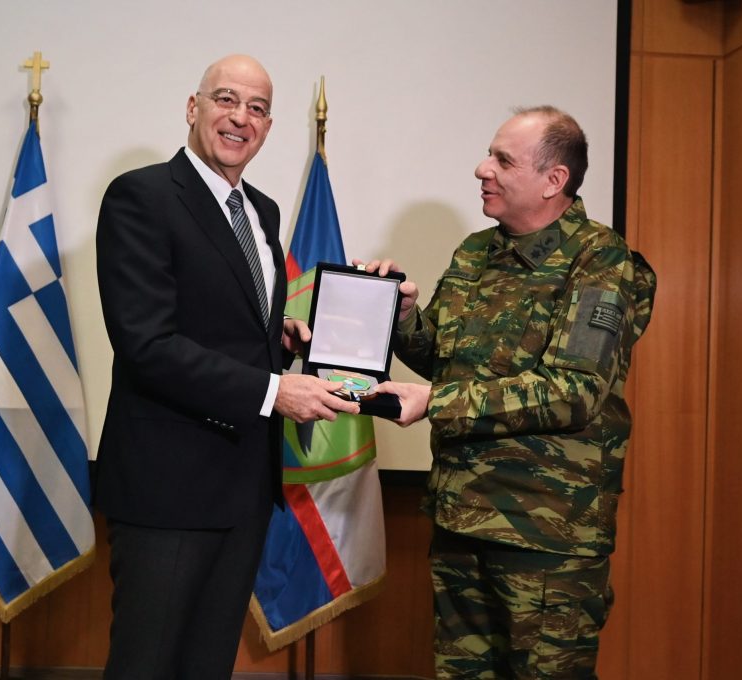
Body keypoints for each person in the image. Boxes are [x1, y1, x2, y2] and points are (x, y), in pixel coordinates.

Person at [365, 106, 656, 679]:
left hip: (545, 538)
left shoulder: (600, 259)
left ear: (554, 180)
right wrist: (401, 317)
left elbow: (575, 390)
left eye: (502, 160)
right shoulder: (476, 252)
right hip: (460, 517)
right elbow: (444, 357)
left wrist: (435, 404)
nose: (482, 169)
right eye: (488, 155)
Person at [93, 55, 359, 680]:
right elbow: (147, 344)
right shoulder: (141, 196)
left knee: (206, 667)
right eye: (227, 100)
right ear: (194, 108)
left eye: (257, 108)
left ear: (268, 127)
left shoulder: (262, 210)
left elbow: (223, 322)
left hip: (244, 487)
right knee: (147, 667)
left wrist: (277, 339)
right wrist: (273, 390)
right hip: (169, 489)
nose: (241, 118)